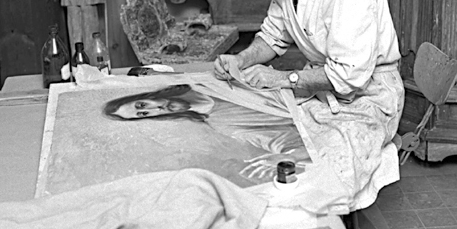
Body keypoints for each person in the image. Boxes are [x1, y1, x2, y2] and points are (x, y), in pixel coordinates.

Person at [214, 0, 405, 210]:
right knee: (251, 137)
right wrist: (242, 59)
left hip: (368, 97)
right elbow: (273, 37)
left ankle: (315, 228)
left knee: (315, 180)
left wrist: (281, 79)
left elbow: (349, 76)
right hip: (321, 90)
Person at [103, 83, 309, 179]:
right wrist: (288, 157)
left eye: (141, 105)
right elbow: (287, 142)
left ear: (146, 95)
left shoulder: (205, 82)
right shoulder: (225, 124)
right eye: (144, 114)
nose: (156, 109)